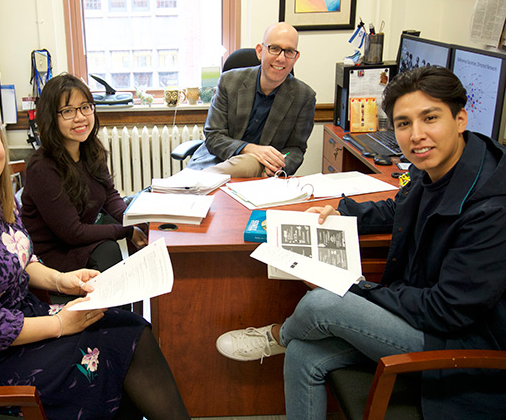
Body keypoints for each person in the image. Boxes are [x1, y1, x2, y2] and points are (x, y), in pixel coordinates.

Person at [215, 66, 506, 419]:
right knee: (303, 355)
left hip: (456, 341)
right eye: (403, 124)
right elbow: (401, 206)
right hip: (420, 310)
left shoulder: (493, 205)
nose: (416, 135)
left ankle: (277, 335)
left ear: (460, 119)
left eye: (430, 118)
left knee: (323, 303)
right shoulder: (437, 163)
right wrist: (344, 212)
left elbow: (448, 310)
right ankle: (289, 342)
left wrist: (362, 290)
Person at [0, 99, 190, 420]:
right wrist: (59, 324)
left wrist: (62, 280)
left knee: (130, 327)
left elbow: (23, 259)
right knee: (116, 349)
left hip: (28, 316)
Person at [21, 74, 147, 277]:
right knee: (109, 250)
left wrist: (133, 220)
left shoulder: (90, 149)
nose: (80, 117)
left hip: (79, 234)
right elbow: (73, 233)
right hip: (54, 255)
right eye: (68, 111)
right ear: (50, 117)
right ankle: (111, 307)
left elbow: (110, 196)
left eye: (85, 107)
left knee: (128, 225)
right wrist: (127, 230)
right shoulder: (42, 168)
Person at [187, 21, 316, 177]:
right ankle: (188, 183)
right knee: (246, 162)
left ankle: (184, 183)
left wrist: (278, 167)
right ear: (260, 51)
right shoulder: (229, 81)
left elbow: (296, 149)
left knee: (249, 163)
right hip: (216, 161)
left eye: (289, 51)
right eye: (274, 49)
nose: (281, 58)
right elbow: (213, 136)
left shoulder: (304, 97)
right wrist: (251, 149)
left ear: (296, 57)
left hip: (261, 173)